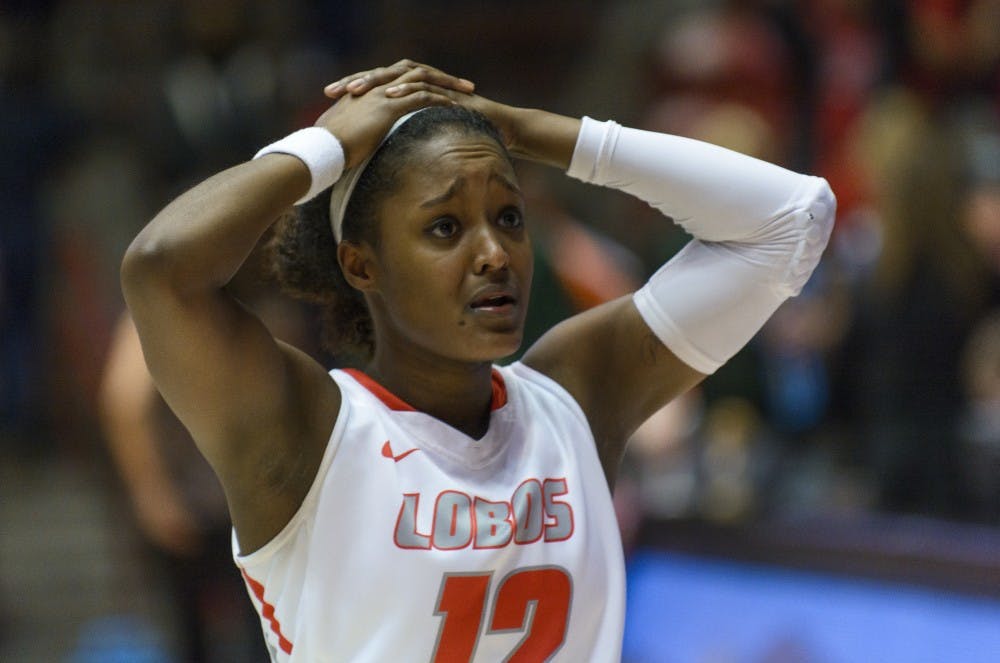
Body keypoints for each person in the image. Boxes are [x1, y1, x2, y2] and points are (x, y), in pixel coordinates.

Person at [121, 59, 835, 662]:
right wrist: (323, 148)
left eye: (509, 216)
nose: (494, 253)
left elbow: (793, 217)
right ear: (360, 263)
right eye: (445, 227)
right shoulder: (307, 434)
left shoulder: (576, 397)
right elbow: (161, 270)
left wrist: (520, 128)